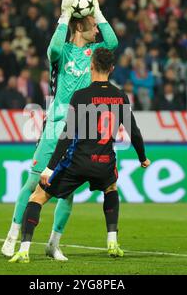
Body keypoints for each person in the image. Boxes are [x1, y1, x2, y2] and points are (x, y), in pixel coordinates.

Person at [1, 0, 118, 261]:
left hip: (82, 128)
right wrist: (64, 16)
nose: (96, 30)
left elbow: (113, 41)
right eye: (91, 24)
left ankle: (54, 243)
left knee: (66, 192)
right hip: (55, 125)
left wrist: (97, 13)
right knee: (33, 182)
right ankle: (12, 234)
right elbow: (52, 48)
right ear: (79, 25)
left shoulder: (94, 53)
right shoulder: (62, 52)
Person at [9, 48, 150, 263]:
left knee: (37, 196)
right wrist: (142, 158)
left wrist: (49, 167)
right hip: (104, 162)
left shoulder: (81, 95)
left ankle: (24, 249)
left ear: (91, 65)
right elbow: (134, 131)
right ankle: (112, 241)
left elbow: (66, 135)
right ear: (112, 69)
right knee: (111, 188)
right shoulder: (120, 97)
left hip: (77, 161)